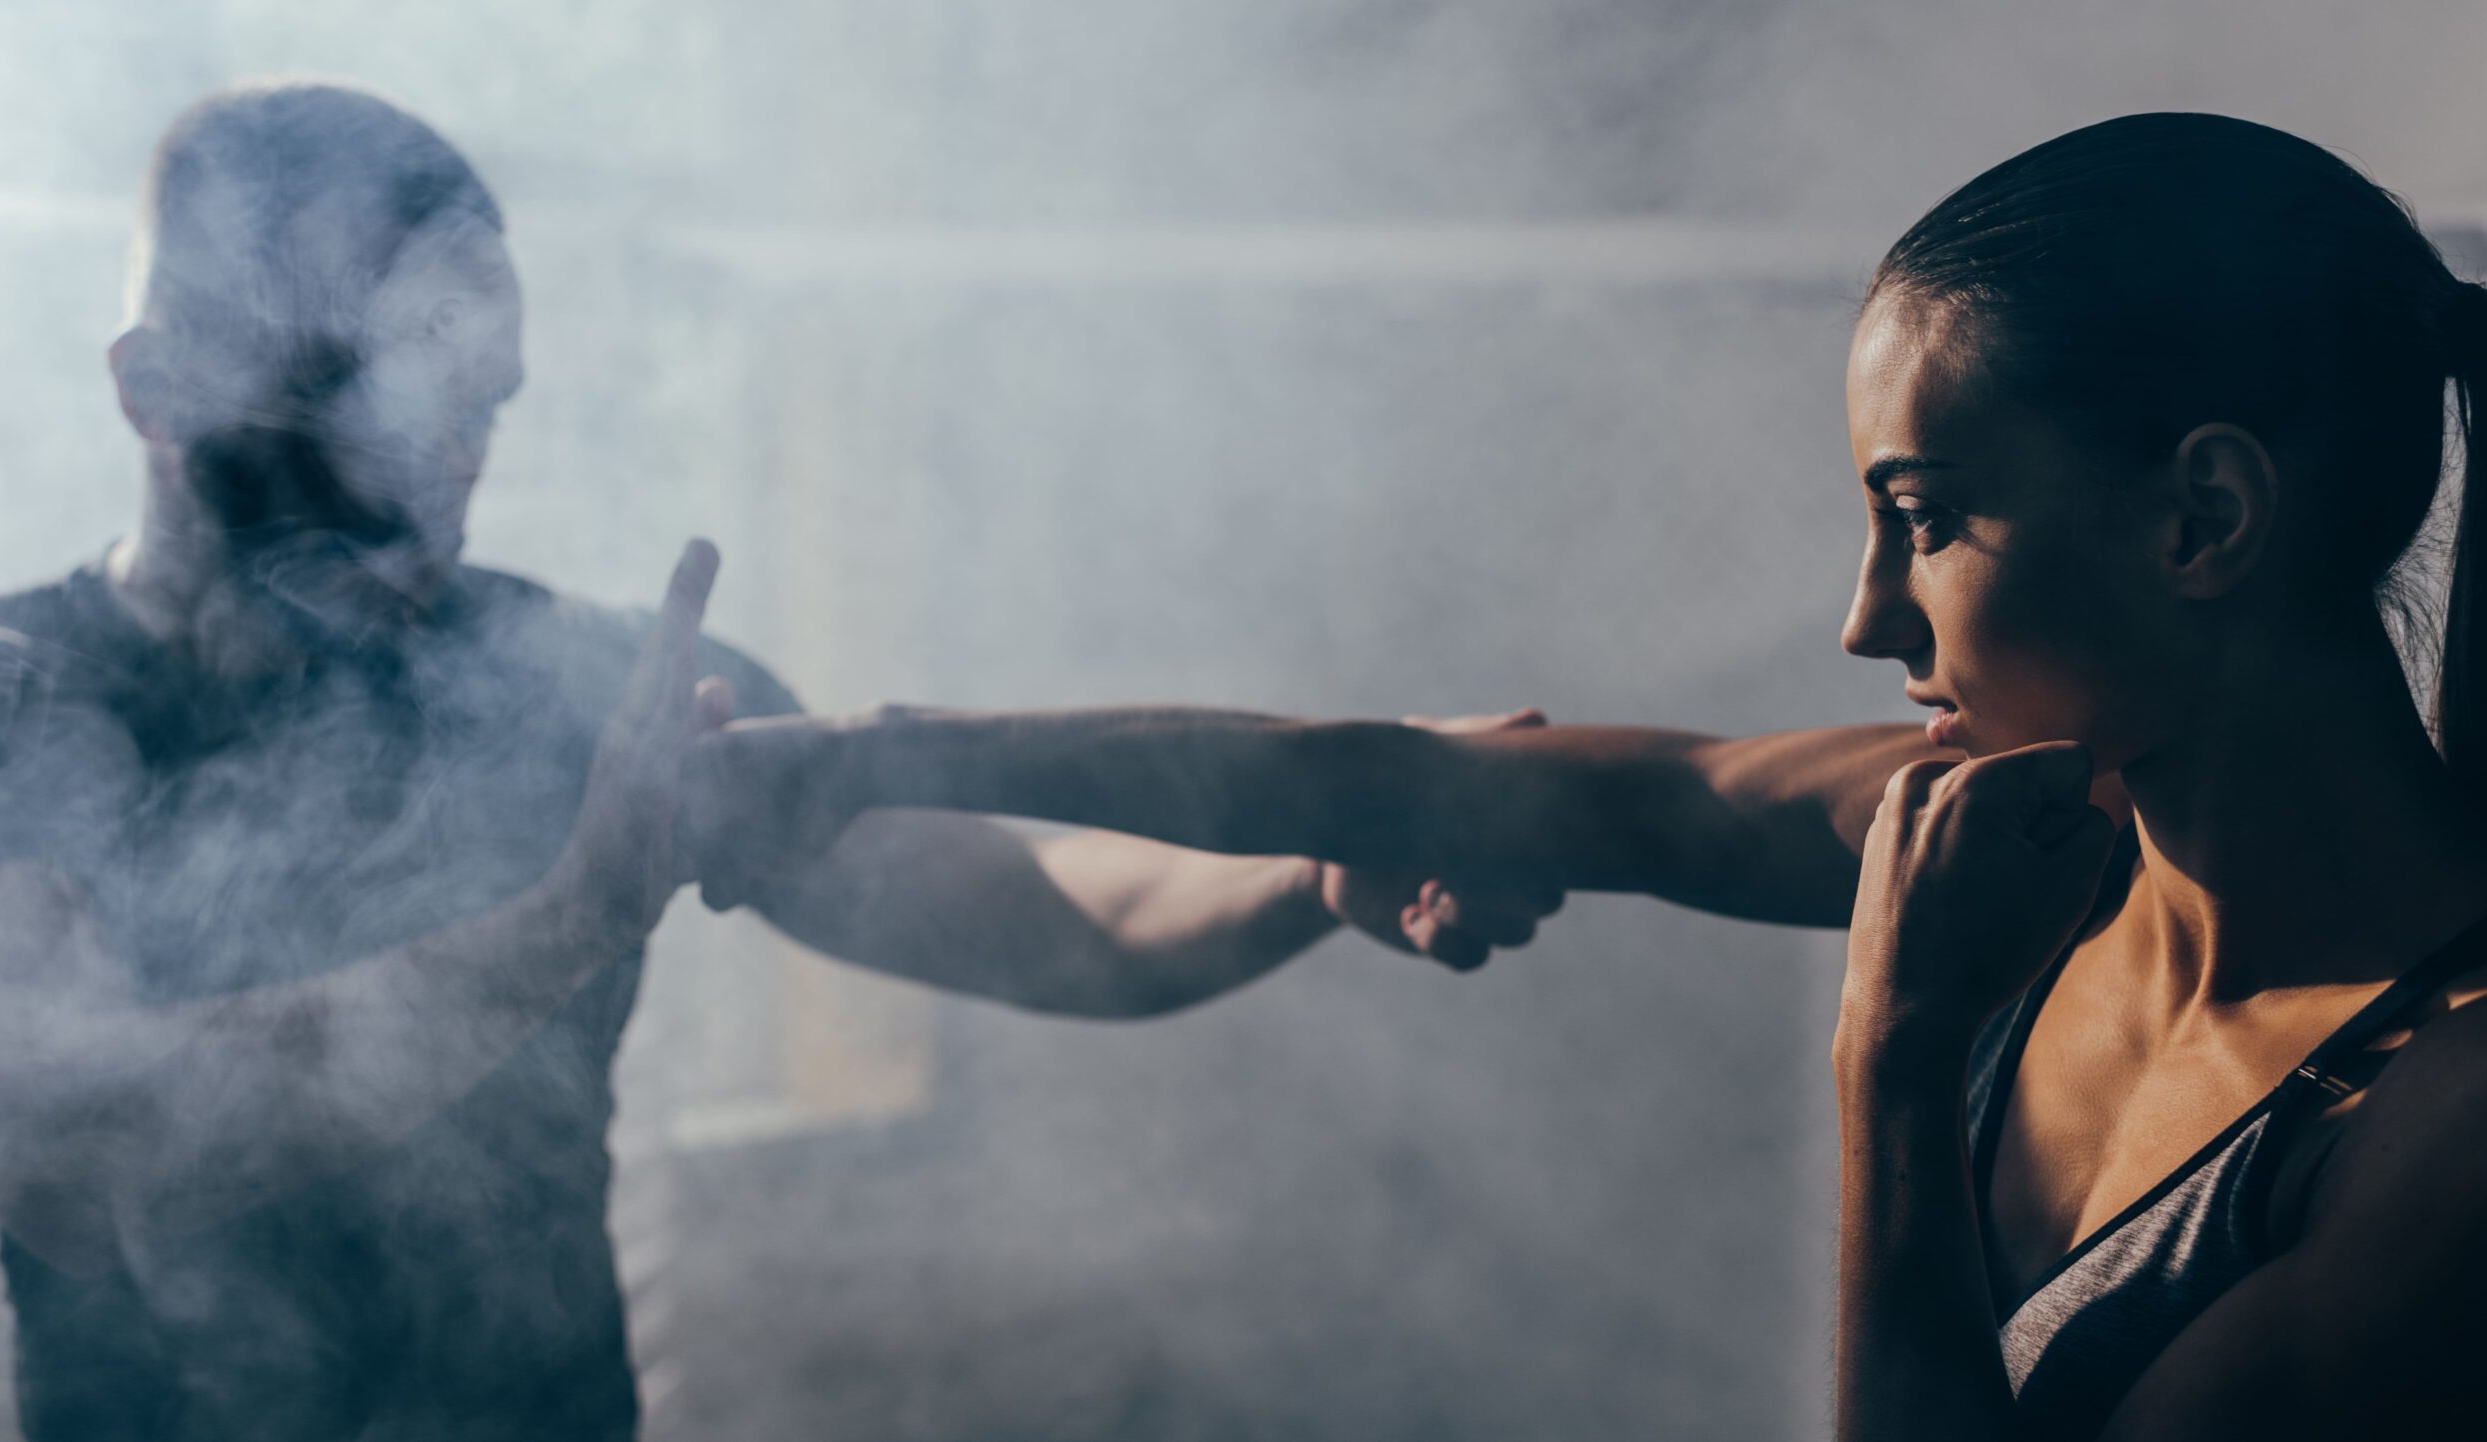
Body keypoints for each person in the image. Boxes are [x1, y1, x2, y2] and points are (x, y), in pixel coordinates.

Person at [684, 113, 2487, 1437]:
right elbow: (1407, 780)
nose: (1868, 619)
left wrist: (1897, 1049)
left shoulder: (2438, 1130)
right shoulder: (2044, 845)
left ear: (2203, 517)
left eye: (1923, 522)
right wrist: (867, 757)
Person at [0, 82, 1578, 1442]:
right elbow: (89, 1157)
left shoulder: (585, 684)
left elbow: (1035, 911)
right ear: (157, 387)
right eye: (364, 397)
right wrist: (572, 912)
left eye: (474, 404)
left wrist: (1307, 859)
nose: (438, 470)